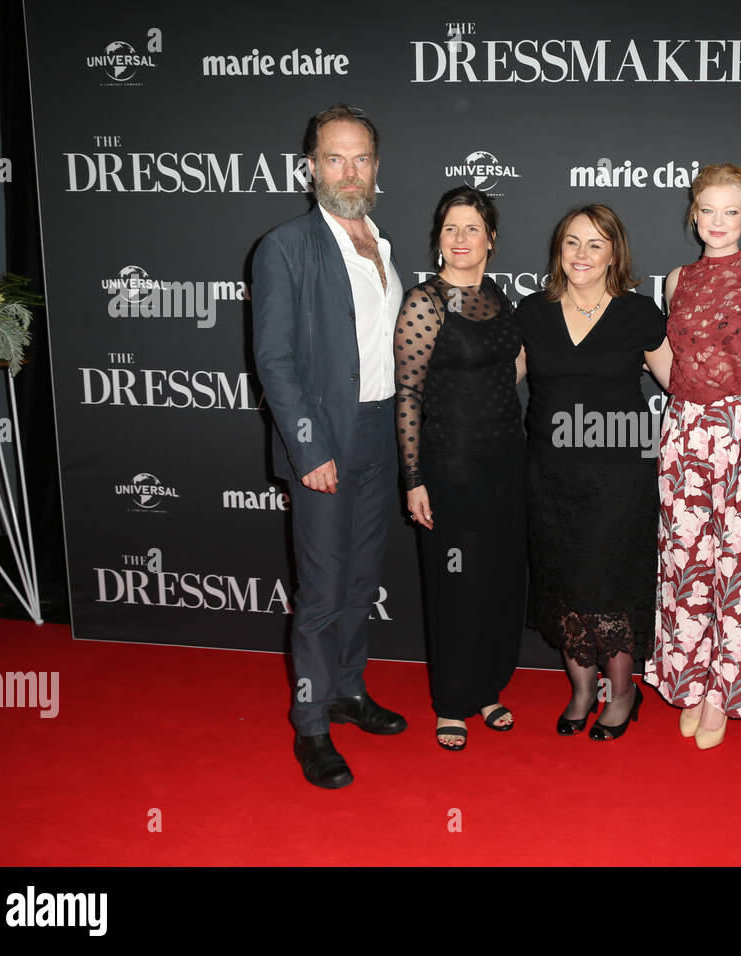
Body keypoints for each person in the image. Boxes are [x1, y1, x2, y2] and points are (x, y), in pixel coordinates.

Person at [253, 104, 408, 790]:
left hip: (379, 431)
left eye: (362, 158)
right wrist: (309, 448)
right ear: (311, 166)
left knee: (359, 582)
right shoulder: (285, 245)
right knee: (320, 593)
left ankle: (347, 690)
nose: (350, 171)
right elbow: (275, 362)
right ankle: (311, 725)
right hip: (325, 439)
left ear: (377, 167)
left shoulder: (384, 242)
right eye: (335, 158)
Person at [515, 204, 668, 741]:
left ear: (614, 254)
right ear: (559, 249)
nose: (582, 254)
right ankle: (581, 690)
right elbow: (496, 380)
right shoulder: (531, 312)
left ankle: (622, 693)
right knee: (565, 583)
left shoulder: (639, 313)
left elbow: (682, 383)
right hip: (550, 474)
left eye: (595, 244)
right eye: (572, 242)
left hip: (619, 475)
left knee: (610, 584)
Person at [644, 164, 741, 750]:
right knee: (686, 561)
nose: (718, 222)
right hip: (684, 434)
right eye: (708, 210)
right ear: (692, 213)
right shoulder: (675, 280)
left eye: (731, 211)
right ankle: (693, 680)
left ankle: (727, 690)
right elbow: (671, 364)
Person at [394, 186, 525, 751]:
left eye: (473, 228)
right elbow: (407, 393)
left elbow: (512, 370)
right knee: (455, 585)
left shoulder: (501, 300)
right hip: (450, 467)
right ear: (438, 240)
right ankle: (452, 700)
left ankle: (488, 688)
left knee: (497, 582)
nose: (461, 239)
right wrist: (415, 477)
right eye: (451, 228)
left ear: (491, 239)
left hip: (506, 463)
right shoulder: (424, 302)